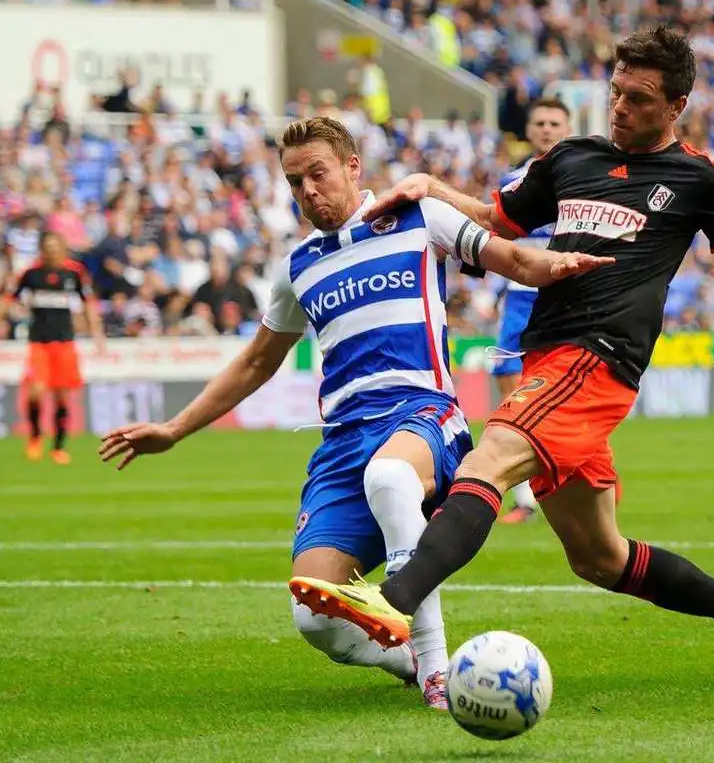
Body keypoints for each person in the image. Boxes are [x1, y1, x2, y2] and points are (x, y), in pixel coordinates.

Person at [287, 25, 714, 680]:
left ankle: (394, 602)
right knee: (600, 558)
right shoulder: (572, 159)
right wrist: (430, 186)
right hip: (545, 358)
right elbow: (495, 220)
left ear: (677, 106)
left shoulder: (702, 177)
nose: (621, 107)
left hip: (598, 359)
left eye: (640, 98)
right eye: (616, 92)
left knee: (490, 459)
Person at [96, 117, 611, 709]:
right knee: (315, 616)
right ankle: (409, 659)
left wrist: (567, 265)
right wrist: (174, 428)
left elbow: (516, 261)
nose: (308, 190)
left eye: (317, 173)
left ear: (352, 167)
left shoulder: (421, 218)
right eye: (295, 182)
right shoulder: (297, 268)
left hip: (424, 416)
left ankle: (438, 671)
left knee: (390, 477)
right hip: (342, 443)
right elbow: (255, 362)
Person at [491, 96, 572, 524]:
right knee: (508, 380)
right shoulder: (512, 181)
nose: (546, 129)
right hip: (521, 294)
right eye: (540, 123)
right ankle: (525, 497)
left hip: (566, 296)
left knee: (570, 389)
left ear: (567, 129)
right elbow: (498, 234)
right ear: (528, 130)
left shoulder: (583, 177)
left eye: (554, 123)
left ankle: (579, 477)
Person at [2, 231, 106, 464]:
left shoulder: (74, 273)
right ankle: (35, 436)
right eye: (48, 248)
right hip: (39, 342)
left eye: (55, 247)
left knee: (62, 397)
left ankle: (58, 447)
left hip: (64, 342)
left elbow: (89, 304)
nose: (52, 252)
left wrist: (97, 333)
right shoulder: (31, 274)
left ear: (62, 249)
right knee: (36, 391)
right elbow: (9, 298)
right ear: (42, 250)